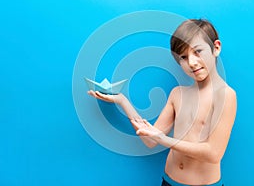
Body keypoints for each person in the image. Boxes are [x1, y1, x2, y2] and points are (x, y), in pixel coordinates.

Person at [88, 19, 237, 186]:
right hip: (168, 181)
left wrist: (164, 140)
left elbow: (214, 153)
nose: (192, 62)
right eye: (184, 57)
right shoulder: (178, 94)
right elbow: (151, 139)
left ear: (216, 48)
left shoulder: (225, 95)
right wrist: (123, 102)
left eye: (198, 52)